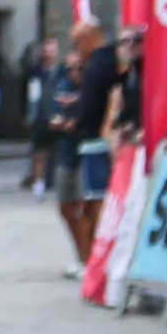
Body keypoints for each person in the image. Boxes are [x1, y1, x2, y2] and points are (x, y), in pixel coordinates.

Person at [57, 18, 115, 265]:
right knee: (79, 205)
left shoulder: (101, 65)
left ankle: (92, 261)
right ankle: (86, 259)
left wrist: (77, 122)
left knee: (92, 206)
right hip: (80, 145)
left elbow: (98, 106)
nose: (76, 48)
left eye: (77, 41)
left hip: (95, 143)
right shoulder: (98, 64)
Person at [20, 34, 62, 194]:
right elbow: (24, 93)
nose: (49, 53)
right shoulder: (33, 72)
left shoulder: (60, 71)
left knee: (56, 149)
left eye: (52, 49)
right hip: (38, 114)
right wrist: (24, 113)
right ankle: (38, 181)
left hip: (55, 113)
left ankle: (50, 178)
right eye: (47, 49)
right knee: (39, 150)